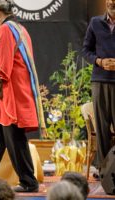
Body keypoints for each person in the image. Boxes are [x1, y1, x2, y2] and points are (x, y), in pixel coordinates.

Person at [0, 0, 45, 192]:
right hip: (14, 88)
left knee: (14, 135)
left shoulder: (5, 30)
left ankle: (29, 182)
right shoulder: (20, 29)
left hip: (11, 91)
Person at [82, 0, 115, 171]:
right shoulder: (95, 22)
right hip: (99, 81)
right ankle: (105, 172)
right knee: (102, 129)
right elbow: (86, 50)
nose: (112, 2)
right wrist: (100, 61)